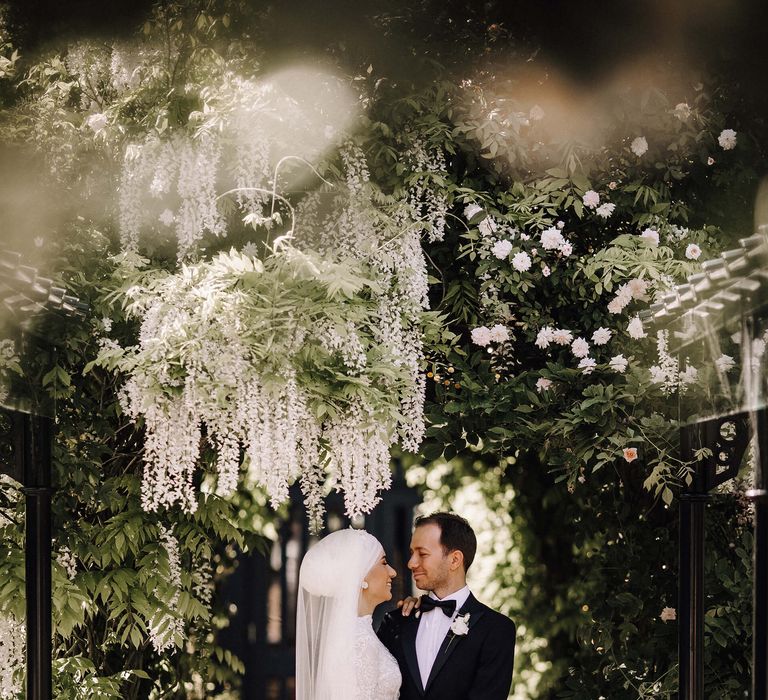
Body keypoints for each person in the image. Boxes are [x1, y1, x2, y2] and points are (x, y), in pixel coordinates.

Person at [377, 512, 516, 699]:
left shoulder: (496, 629)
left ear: (455, 560)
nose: (411, 563)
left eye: (422, 554)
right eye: (411, 553)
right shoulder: (395, 622)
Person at [295, 527, 402, 699]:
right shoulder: (359, 641)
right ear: (361, 575)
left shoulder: (353, 634)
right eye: (383, 562)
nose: (392, 572)